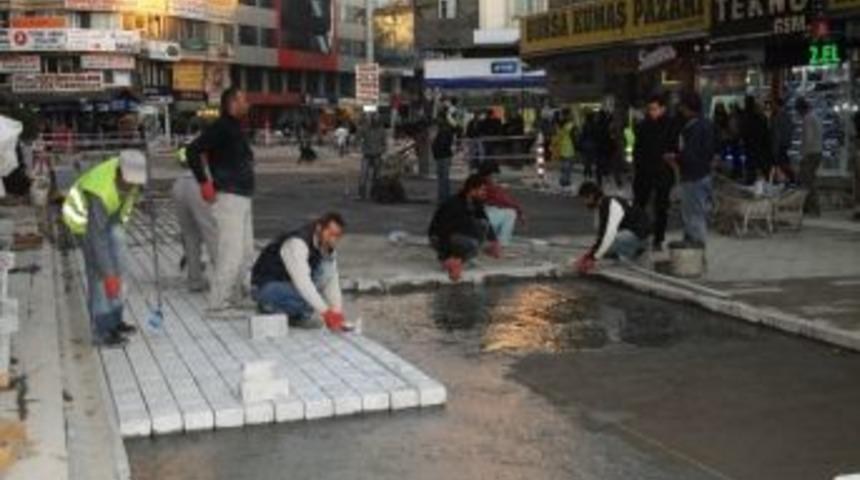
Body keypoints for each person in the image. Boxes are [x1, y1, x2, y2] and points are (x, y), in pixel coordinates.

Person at [62, 150, 146, 346]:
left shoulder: (132, 170)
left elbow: (133, 193)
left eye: (136, 183)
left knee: (120, 271)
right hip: (86, 224)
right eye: (129, 182)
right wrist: (108, 273)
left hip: (111, 220)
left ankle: (115, 321)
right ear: (119, 173)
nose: (133, 186)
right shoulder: (99, 191)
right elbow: (97, 238)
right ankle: (101, 332)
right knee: (100, 276)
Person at [186, 87, 256, 315]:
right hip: (228, 198)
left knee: (245, 253)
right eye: (244, 99)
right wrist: (204, 183)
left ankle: (234, 297)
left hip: (243, 197)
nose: (248, 104)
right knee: (231, 252)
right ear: (232, 103)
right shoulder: (221, 127)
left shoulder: (235, 128)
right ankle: (217, 304)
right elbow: (192, 151)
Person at [251, 213, 347, 331]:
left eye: (337, 236)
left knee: (315, 292)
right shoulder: (297, 244)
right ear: (319, 228)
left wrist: (337, 312)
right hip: (265, 286)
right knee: (309, 300)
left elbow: (332, 279)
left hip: (289, 285)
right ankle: (268, 307)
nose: (333, 239)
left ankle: (292, 314)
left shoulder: (326, 247)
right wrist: (325, 312)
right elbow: (303, 283)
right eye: (330, 234)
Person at [428, 174, 501, 282]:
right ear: (472, 189)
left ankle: (458, 259)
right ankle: (450, 261)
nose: (484, 193)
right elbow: (442, 231)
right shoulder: (454, 204)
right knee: (473, 245)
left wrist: (494, 241)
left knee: (483, 224)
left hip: (457, 234)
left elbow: (486, 221)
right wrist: (447, 256)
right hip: (440, 237)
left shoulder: (475, 203)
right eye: (482, 189)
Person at [667, 92, 715, 247]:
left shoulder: (693, 128)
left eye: (682, 107)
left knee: (693, 215)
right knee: (695, 213)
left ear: (687, 108)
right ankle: (692, 246)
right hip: (704, 173)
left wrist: (675, 158)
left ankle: (697, 250)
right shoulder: (707, 124)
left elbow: (690, 154)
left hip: (693, 176)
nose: (680, 110)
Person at [574, 181, 651, 274]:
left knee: (608, 242)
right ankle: (628, 253)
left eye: (584, 199)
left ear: (591, 196)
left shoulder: (610, 205)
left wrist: (592, 258)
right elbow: (601, 233)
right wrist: (590, 254)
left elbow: (608, 235)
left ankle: (633, 252)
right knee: (602, 244)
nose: (584, 203)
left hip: (639, 236)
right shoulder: (605, 204)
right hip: (635, 234)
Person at [633, 94, 676, 251]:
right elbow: (638, 150)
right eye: (649, 109)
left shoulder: (671, 125)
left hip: (663, 172)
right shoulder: (643, 126)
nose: (651, 112)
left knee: (661, 207)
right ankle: (639, 237)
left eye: (654, 109)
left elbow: (675, 149)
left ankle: (658, 239)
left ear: (663, 109)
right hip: (644, 172)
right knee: (639, 206)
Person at [172, 149, 217, 292]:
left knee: (190, 236)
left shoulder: (186, 147)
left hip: (179, 184)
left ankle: (195, 280)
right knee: (212, 234)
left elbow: (181, 160)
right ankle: (226, 281)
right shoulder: (206, 143)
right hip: (198, 182)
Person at [478, 161, 524, 246]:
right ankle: (502, 242)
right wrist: (520, 211)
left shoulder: (475, 183)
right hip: (484, 220)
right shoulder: (490, 187)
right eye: (494, 176)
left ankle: (493, 240)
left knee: (500, 210)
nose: (496, 178)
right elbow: (505, 201)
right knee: (510, 213)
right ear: (489, 175)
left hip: (474, 221)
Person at [796, 98, 823, 216]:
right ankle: (808, 207)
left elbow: (808, 138)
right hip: (817, 152)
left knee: (807, 182)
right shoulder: (815, 117)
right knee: (810, 180)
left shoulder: (807, 119)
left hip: (810, 154)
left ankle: (813, 208)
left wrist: (804, 155)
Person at [740, 96, 772, 184]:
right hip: (760, 146)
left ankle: (752, 183)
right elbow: (766, 133)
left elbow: (744, 132)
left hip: (751, 146)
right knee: (760, 167)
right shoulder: (761, 118)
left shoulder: (745, 117)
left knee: (751, 168)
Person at [358, 114, 386, 200]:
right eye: (374, 120)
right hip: (367, 155)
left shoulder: (382, 131)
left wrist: (382, 150)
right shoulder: (365, 129)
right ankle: (362, 195)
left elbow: (384, 143)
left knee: (377, 177)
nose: (375, 121)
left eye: (377, 120)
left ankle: (374, 194)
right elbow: (358, 137)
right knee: (363, 175)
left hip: (377, 155)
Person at [432, 112, 457, 203]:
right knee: (442, 178)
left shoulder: (445, 130)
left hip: (443, 155)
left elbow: (442, 143)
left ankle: (444, 197)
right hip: (442, 155)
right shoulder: (443, 130)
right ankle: (443, 196)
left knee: (443, 178)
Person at [770, 97, 796, 184]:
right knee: (784, 162)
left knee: (781, 163)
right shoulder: (787, 116)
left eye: (773, 104)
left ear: (777, 105)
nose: (772, 106)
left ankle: (786, 180)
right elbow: (792, 127)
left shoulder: (777, 117)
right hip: (785, 143)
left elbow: (777, 134)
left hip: (779, 145)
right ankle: (790, 179)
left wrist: (775, 148)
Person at [557, 110, 576, 188]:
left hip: (562, 147)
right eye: (570, 114)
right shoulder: (570, 125)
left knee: (564, 166)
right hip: (569, 148)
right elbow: (574, 136)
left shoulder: (560, 125)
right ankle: (565, 181)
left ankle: (563, 180)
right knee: (568, 166)